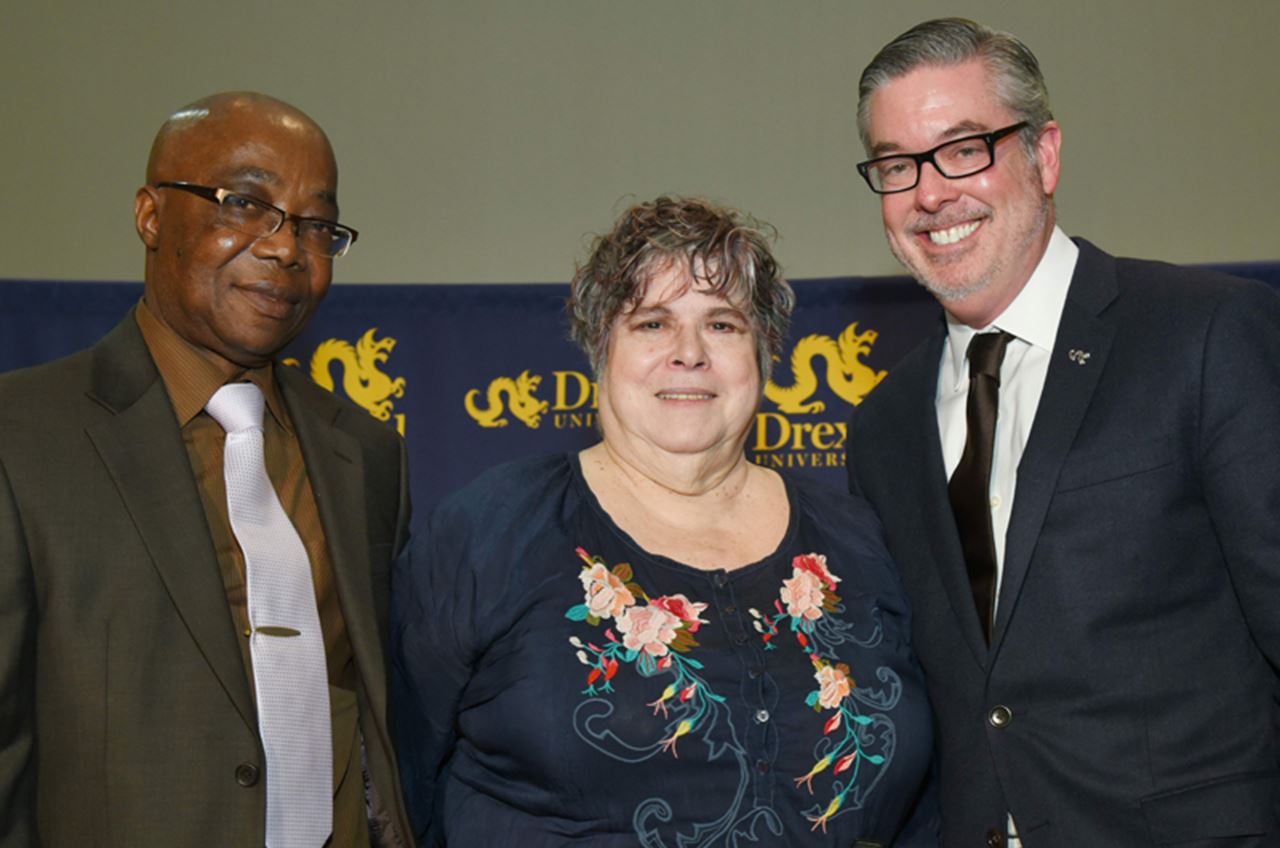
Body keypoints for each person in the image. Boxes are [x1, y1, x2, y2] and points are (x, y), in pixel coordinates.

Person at [845, 18, 1280, 848]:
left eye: (964, 148)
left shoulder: (1208, 335)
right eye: (897, 165)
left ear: (1044, 156)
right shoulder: (884, 428)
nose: (931, 193)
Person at [392, 196, 936, 846]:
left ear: (765, 353)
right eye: (652, 323)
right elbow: (395, 787)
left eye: (723, 325)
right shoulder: (489, 533)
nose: (689, 353)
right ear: (600, 347)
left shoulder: (858, 542)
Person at [0, 92, 413, 846]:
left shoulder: (366, 453)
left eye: (316, 225)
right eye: (246, 203)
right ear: (151, 215)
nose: (286, 247)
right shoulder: (21, 438)